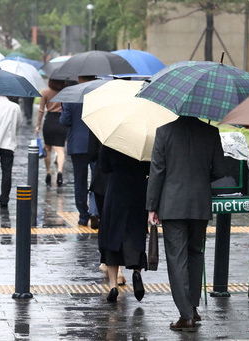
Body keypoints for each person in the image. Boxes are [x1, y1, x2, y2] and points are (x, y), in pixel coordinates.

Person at [146, 116, 225, 332]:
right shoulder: (211, 132)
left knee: (177, 257)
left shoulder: (164, 131)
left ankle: (186, 314)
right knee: (195, 253)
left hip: (172, 204)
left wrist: (152, 206)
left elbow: (157, 171)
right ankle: (192, 307)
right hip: (200, 202)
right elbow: (220, 170)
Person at [98, 146, 150, 303]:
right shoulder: (143, 142)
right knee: (136, 233)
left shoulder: (111, 142)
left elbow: (103, 166)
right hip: (138, 191)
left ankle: (113, 285)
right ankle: (136, 271)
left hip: (115, 192)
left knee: (112, 236)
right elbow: (150, 167)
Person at [59, 76, 100, 228]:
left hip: (77, 145)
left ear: (79, 78)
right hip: (96, 143)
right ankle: (95, 211)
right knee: (97, 179)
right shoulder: (98, 94)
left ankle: (83, 215)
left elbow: (64, 121)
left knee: (80, 181)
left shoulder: (71, 96)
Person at [36, 79, 67, 186]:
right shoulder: (66, 92)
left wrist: (38, 125)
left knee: (48, 148)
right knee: (60, 150)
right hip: (61, 122)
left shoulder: (45, 92)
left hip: (49, 121)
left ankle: (48, 172)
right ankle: (59, 171)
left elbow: (41, 110)